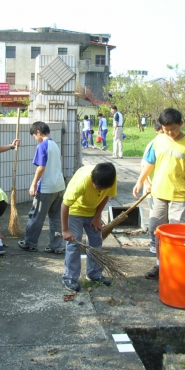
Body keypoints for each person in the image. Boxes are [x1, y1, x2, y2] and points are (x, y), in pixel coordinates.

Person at [133, 108, 185, 280]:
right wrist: (140, 181)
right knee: (156, 229)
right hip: (158, 192)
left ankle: (177, 266)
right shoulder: (158, 141)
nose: (170, 133)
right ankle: (160, 264)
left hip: (180, 195)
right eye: (166, 130)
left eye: (173, 129)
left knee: (178, 232)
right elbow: (149, 163)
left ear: (181, 124)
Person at [61, 163, 118, 292]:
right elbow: (65, 204)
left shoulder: (111, 179)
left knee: (96, 241)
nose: (98, 189)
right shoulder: (82, 182)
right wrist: (65, 230)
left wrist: (97, 217)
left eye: (101, 188)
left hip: (93, 211)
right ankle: (70, 277)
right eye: (96, 186)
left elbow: (107, 196)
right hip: (75, 210)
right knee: (74, 243)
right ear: (92, 178)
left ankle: (94, 273)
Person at [18, 121, 66, 254]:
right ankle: (56, 246)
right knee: (56, 218)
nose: (35, 138)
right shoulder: (54, 144)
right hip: (59, 186)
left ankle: (30, 243)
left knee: (36, 216)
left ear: (38, 132)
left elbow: (41, 167)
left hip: (46, 188)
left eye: (34, 135)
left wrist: (33, 184)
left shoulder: (42, 146)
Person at [141, 121, 163, 254]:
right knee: (155, 218)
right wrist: (147, 184)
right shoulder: (153, 145)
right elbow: (144, 166)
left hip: (166, 189)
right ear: (156, 130)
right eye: (162, 132)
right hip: (153, 189)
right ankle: (154, 244)